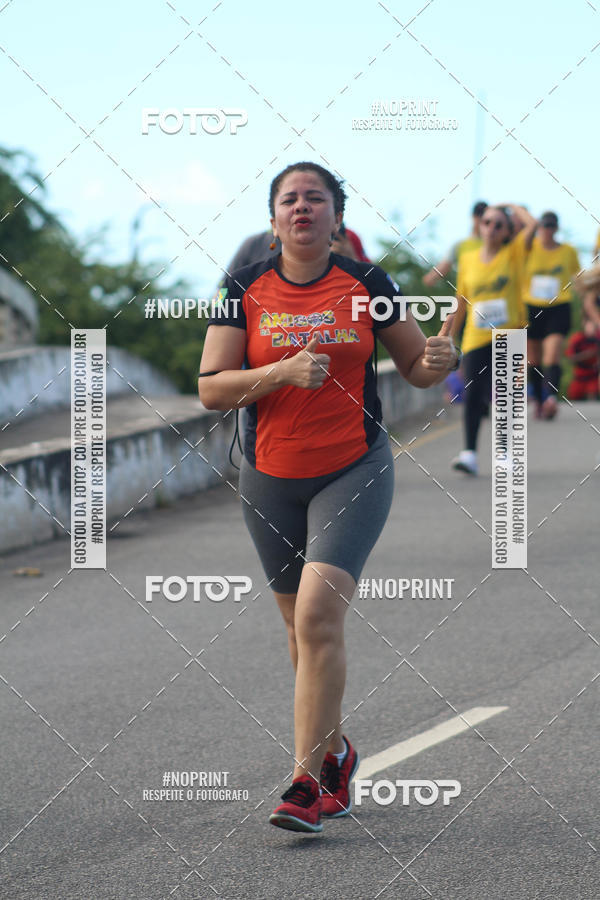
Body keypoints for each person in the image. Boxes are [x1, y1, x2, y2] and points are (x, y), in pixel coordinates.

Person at [198, 161, 459, 833]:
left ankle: (306, 783)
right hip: (269, 476)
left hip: (353, 467)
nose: (303, 206)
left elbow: (414, 371)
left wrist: (439, 359)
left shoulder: (367, 283)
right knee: (298, 631)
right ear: (274, 218)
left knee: (316, 616)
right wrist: (281, 370)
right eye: (291, 198)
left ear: (337, 216)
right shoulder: (244, 287)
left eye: (317, 197)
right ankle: (337, 753)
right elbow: (211, 387)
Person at [450, 204, 537, 475]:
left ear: (508, 231)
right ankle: (469, 454)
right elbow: (461, 301)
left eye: (499, 224)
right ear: (480, 226)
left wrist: (508, 207)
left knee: (505, 397)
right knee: (473, 393)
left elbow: (532, 225)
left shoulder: (514, 253)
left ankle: (504, 453)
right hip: (475, 336)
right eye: (487, 222)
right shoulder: (468, 260)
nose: (491, 228)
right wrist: (449, 337)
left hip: (509, 333)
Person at [522, 211, 581, 419]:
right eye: (543, 226)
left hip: (559, 306)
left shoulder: (568, 251)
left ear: (556, 228)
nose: (547, 230)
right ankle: (538, 399)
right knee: (533, 358)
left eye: (551, 226)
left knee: (553, 353)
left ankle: (550, 398)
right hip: (531, 306)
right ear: (539, 228)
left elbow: (577, 277)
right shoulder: (529, 248)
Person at [422, 201, 488, 287]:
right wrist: (431, 277)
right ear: (474, 217)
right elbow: (445, 266)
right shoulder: (460, 245)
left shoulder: (496, 244)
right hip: (467, 296)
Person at [565, 316, 600, 401]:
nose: (591, 329)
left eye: (593, 326)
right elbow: (570, 358)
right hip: (579, 375)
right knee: (573, 398)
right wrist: (586, 355)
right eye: (589, 326)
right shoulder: (577, 338)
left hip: (593, 376)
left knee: (592, 398)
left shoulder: (597, 338)